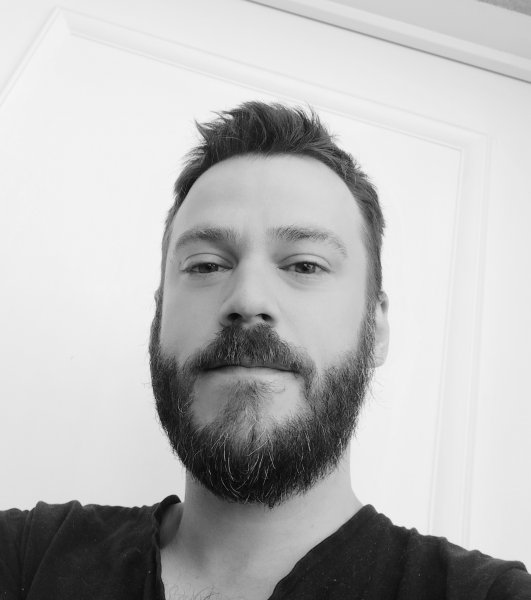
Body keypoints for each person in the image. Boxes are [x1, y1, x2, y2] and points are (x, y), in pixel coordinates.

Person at [1, 102, 529, 600]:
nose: (248, 299)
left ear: (377, 327)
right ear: (158, 317)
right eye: (206, 265)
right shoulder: (24, 557)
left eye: (305, 265)